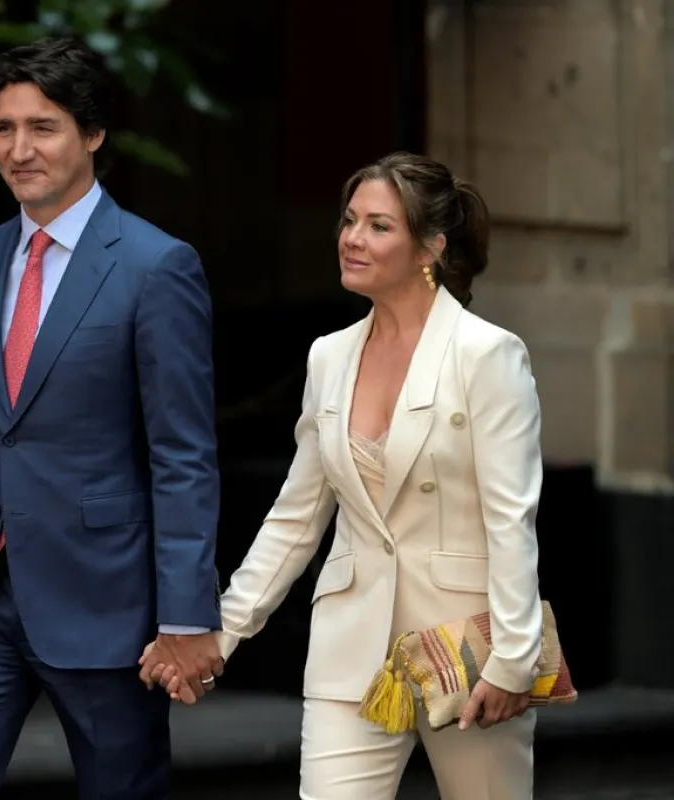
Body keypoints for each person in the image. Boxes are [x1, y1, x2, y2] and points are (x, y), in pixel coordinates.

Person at [141, 152, 544, 799]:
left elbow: (511, 519)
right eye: (350, 220)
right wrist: (223, 630)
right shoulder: (328, 356)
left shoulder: (487, 355)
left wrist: (515, 662)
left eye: (379, 226)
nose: (352, 238)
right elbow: (297, 517)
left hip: (468, 651)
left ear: (430, 248)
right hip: (350, 647)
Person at [0, 36, 225, 799]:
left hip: (106, 605)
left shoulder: (156, 266)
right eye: (4, 128)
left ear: (92, 133)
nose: (19, 149)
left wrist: (186, 615)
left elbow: (183, 453)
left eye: (42, 127)